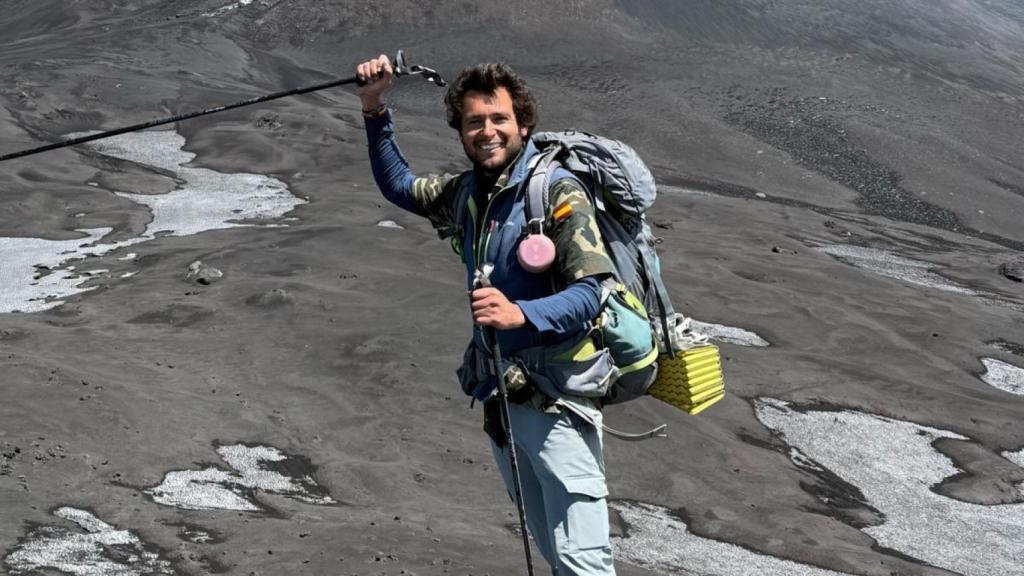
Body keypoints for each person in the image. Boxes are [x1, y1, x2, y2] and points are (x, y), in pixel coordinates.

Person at [356, 54, 618, 575]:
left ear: (523, 124)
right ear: (460, 130)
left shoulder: (557, 192)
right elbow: (400, 186)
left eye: (499, 119)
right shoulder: (467, 195)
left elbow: (594, 291)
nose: (487, 131)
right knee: (554, 551)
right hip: (503, 398)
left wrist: (519, 313)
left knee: (582, 561)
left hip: (559, 403)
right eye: (474, 121)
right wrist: (373, 108)